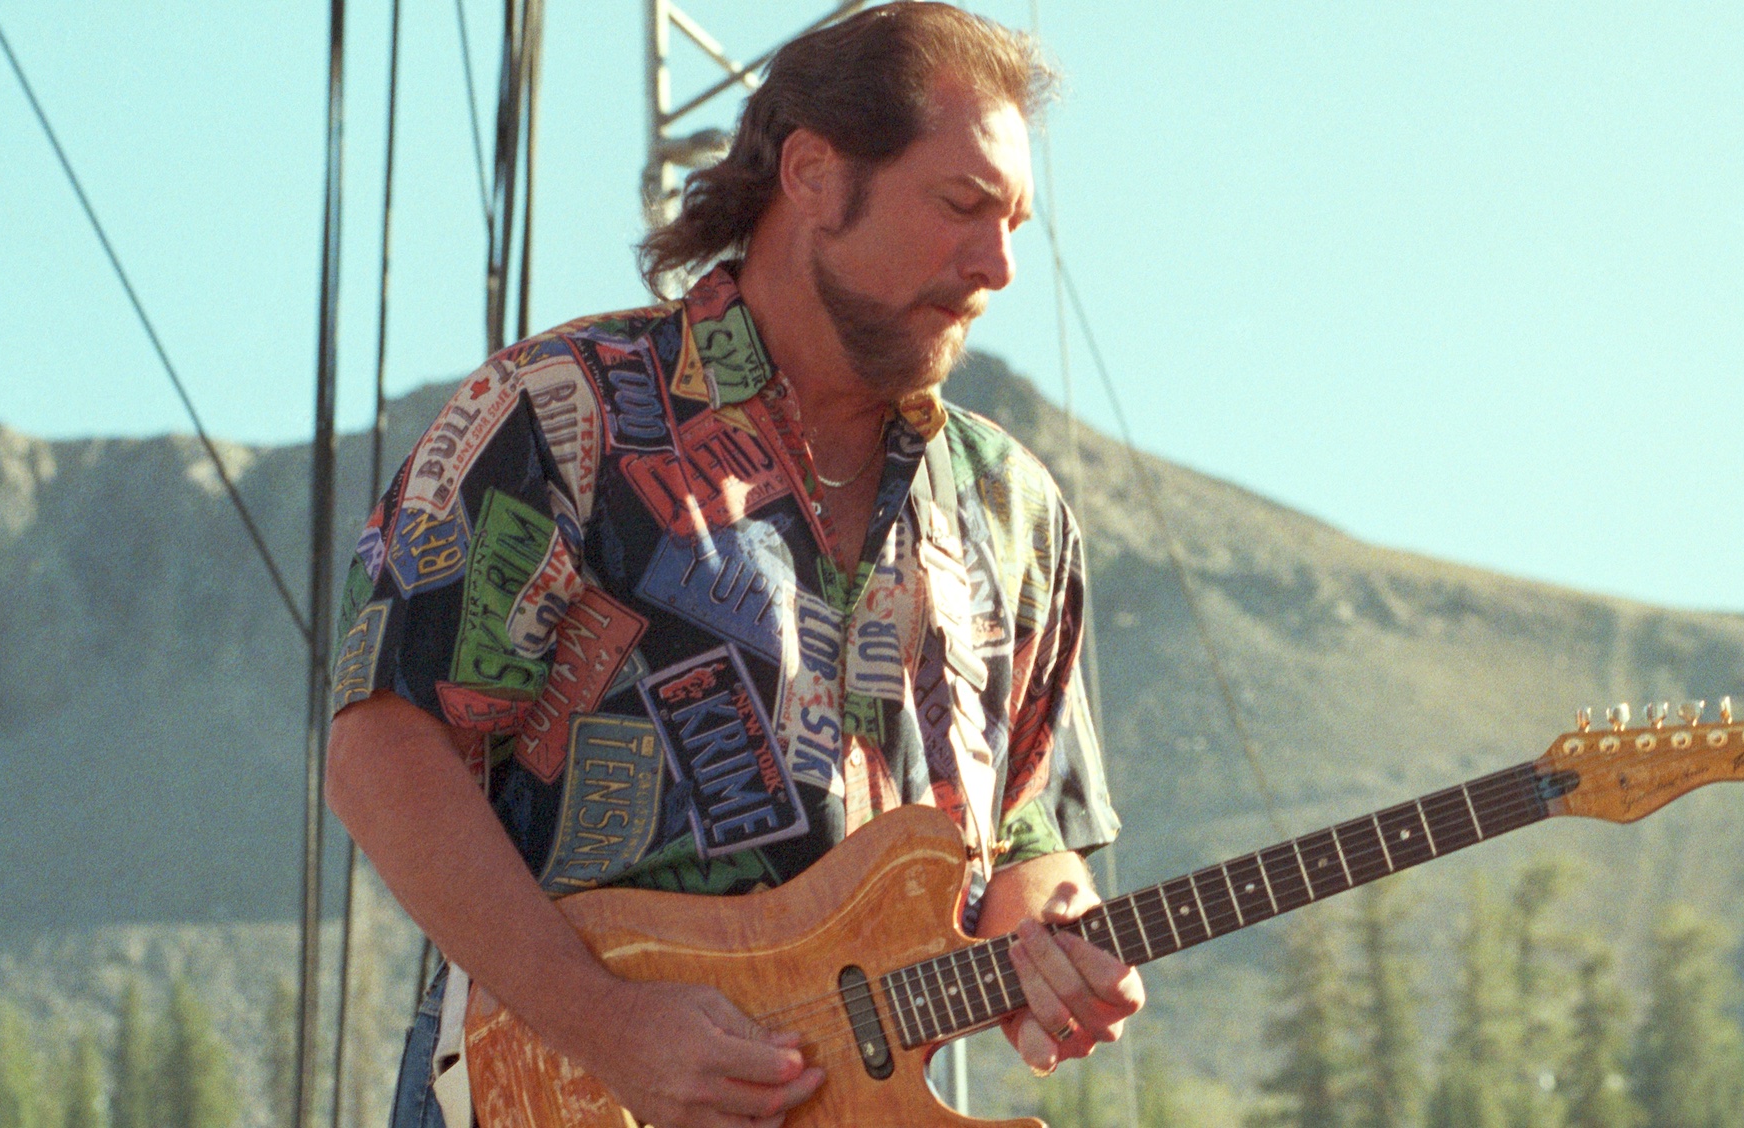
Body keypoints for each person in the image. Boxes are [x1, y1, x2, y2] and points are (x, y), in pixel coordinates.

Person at [325, 5, 1142, 1126]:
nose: (996, 265)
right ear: (813, 174)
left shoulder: (1017, 511)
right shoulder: (562, 410)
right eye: (962, 206)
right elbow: (383, 750)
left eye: (1013, 225)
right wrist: (607, 1024)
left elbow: (1029, 833)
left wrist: (1052, 939)